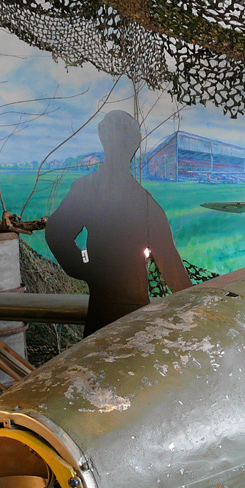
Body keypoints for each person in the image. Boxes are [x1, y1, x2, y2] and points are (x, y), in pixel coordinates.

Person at [46, 110, 192, 335]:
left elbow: (57, 234)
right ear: (135, 147)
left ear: (103, 138)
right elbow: (174, 273)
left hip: (107, 311)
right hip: (131, 312)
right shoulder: (144, 204)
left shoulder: (88, 190)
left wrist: (86, 266)